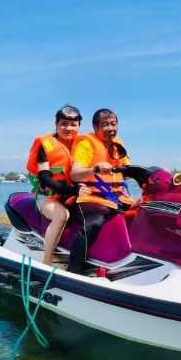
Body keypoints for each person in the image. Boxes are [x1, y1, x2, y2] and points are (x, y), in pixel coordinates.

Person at [67, 108, 134, 274]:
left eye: (113, 124)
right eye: (105, 125)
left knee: (144, 214)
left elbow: (128, 169)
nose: (110, 128)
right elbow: (75, 174)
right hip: (92, 199)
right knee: (94, 223)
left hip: (119, 199)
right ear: (95, 127)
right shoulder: (86, 143)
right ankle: (73, 271)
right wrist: (95, 169)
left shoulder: (118, 144)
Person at [25, 105, 90, 267]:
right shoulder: (45, 145)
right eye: (64, 124)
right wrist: (73, 190)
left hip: (71, 196)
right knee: (62, 216)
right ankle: (46, 263)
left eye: (73, 125)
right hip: (47, 197)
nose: (68, 128)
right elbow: (45, 179)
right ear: (56, 124)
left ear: (79, 126)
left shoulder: (82, 145)